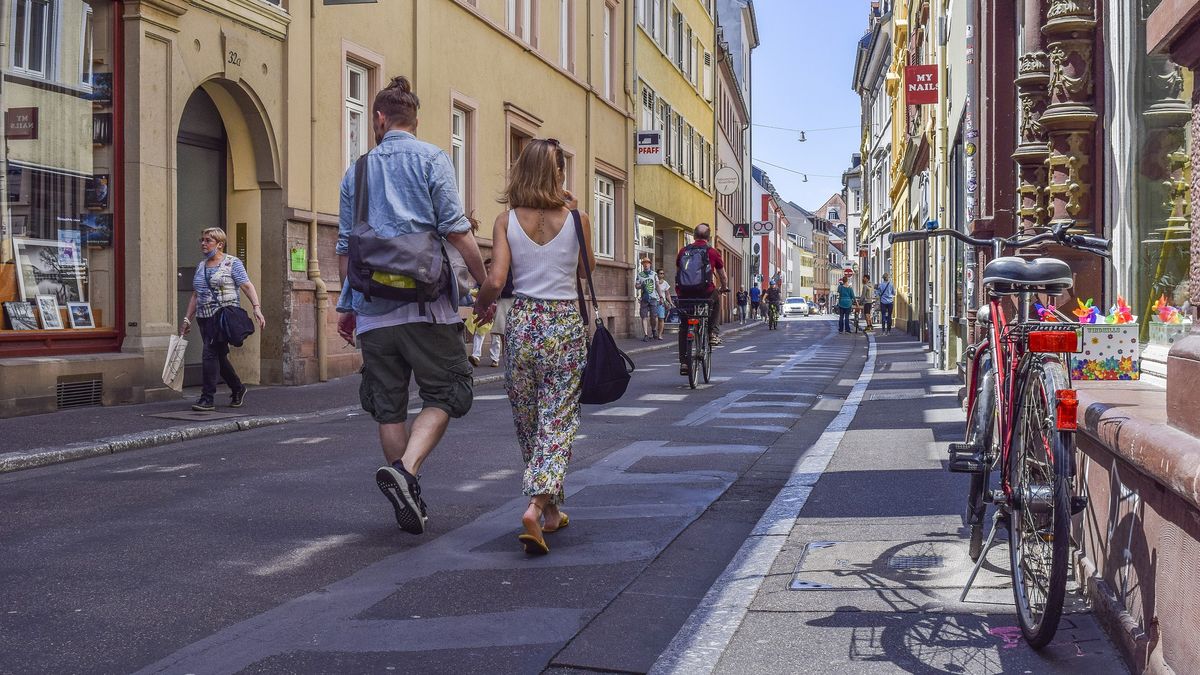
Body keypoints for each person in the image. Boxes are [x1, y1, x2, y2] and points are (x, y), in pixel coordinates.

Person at [335, 75, 489, 536]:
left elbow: (345, 247)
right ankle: (407, 473)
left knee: (388, 405)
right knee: (448, 391)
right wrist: (484, 285)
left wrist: (349, 306)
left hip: (373, 312)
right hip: (429, 308)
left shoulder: (357, 171)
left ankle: (408, 490)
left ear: (378, 120)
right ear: (414, 121)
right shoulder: (433, 159)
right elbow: (458, 232)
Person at [473, 138, 594, 556]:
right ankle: (536, 505)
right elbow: (585, 270)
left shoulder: (505, 221)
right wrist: (575, 218)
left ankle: (550, 514)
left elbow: (495, 279)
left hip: (523, 325)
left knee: (528, 423)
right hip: (563, 326)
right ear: (557, 174)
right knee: (557, 425)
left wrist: (480, 305)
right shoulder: (578, 218)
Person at [180, 227, 266, 412]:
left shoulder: (232, 263)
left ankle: (207, 398)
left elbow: (246, 286)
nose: (203, 243)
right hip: (204, 318)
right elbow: (196, 295)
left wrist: (256, 308)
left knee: (209, 354)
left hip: (221, 317)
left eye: (208, 240)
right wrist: (187, 319)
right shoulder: (201, 266)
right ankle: (237, 388)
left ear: (220, 244)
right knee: (218, 356)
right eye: (202, 240)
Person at [675, 224, 728, 374]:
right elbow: (722, 276)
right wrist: (724, 287)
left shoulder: (683, 251)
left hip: (685, 294)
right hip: (705, 293)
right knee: (716, 298)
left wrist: (680, 289)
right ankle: (712, 333)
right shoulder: (712, 252)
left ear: (694, 236)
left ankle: (684, 363)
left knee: (684, 327)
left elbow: (678, 272)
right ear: (708, 237)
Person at [468, 260, 501, 367]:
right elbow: (475, 290)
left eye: (490, 267)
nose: (487, 270)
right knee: (479, 332)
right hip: (484, 308)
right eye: (486, 267)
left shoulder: (499, 278)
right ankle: (476, 356)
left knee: (495, 335)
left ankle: (495, 358)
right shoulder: (481, 281)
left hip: (497, 309)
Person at [634, 257, 659, 341]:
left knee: (653, 316)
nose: (645, 264)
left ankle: (654, 329)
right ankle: (645, 334)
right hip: (644, 298)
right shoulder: (640, 275)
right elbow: (636, 286)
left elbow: (657, 286)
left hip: (653, 298)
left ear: (650, 264)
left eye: (647, 263)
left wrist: (661, 297)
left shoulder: (654, 274)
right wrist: (641, 286)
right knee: (644, 316)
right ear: (642, 265)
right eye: (644, 263)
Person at [655, 270, 672, 340]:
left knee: (661, 318)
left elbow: (667, 294)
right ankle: (654, 332)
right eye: (660, 273)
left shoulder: (665, 283)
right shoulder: (654, 282)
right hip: (654, 301)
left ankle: (660, 334)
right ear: (657, 274)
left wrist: (670, 302)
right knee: (654, 318)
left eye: (663, 273)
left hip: (661, 302)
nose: (662, 275)